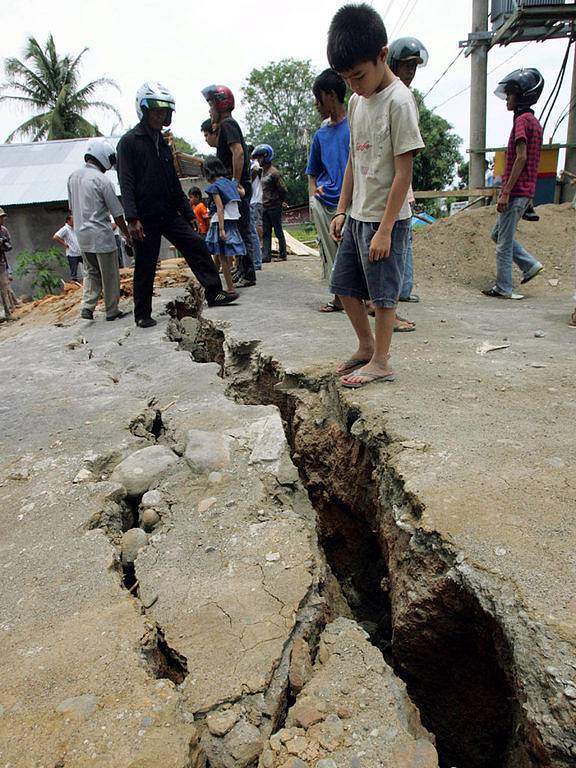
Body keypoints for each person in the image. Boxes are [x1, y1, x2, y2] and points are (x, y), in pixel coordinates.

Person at [326, 3, 424, 388]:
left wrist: (385, 229)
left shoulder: (399, 103)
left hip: (387, 220)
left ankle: (382, 361)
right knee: (343, 286)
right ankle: (365, 346)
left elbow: (404, 172)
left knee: (383, 296)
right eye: (347, 78)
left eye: (359, 75)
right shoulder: (355, 101)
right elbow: (353, 158)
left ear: (383, 56)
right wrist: (340, 209)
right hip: (357, 215)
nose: (354, 85)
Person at [117, 82, 237, 327]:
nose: (160, 116)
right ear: (144, 110)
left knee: (195, 244)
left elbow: (172, 181)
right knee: (146, 263)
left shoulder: (161, 142)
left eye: (164, 112)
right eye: (155, 111)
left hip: (168, 212)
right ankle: (142, 314)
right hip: (144, 216)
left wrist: (188, 212)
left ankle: (214, 291)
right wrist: (132, 218)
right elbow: (126, 182)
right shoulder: (129, 142)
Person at [482, 68, 545, 299]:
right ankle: (529, 265)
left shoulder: (521, 121)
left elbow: (521, 157)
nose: (507, 99)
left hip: (516, 191)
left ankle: (504, 287)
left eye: (510, 95)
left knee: (503, 244)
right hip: (526, 192)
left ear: (521, 96)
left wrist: (505, 191)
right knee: (498, 234)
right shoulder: (534, 122)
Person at [68, 139, 130, 322]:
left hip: (82, 235)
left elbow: (72, 207)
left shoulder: (73, 177)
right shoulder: (101, 180)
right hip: (101, 234)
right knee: (109, 274)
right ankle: (112, 310)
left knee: (91, 273)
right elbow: (117, 212)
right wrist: (127, 234)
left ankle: (87, 306)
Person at [201, 85, 256, 287]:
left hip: (236, 186)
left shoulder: (228, 125)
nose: (209, 111)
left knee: (240, 229)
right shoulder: (226, 125)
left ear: (219, 105)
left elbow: (238, 153)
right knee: (238, 228)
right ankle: (242, 269)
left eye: (210, 106)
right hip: (235, 186)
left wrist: (235, 182)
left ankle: (248, 273)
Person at [388, 36, 429, 305]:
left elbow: (408, 153)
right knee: (398, 240)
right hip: (390, 183)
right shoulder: (395, 97)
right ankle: (400, 289)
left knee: (401, 240)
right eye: (407, 66)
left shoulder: (404, 99)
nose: (410, 72)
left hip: (399, 183)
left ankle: (402, 289)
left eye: (414, 66)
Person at [306, 68, 350, 313]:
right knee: (330, 253)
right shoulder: (321, 134)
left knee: (350, 251)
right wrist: (314, 194)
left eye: (318, 98)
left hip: (351, 201)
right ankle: (339, 298)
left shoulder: (354, 126)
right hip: (325, 202)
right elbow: (312, 171)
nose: (316, 105)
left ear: (330, 95)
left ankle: (359, 299)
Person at [204, 157, 246, 294]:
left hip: (220, 222)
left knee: (222, 256)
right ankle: (212, 281)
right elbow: (242, 193)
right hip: (233, 221)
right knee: (220, 254)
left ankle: (230, 288)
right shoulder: (230, 184)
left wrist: (221, 228)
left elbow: (219, 207)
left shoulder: (214, 187)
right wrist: (237, 183)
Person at [252, 144, 288, 263]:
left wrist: (280, 201)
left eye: (260, 158)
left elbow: (283, 189)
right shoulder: (262, 172)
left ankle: (283, 254)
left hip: (274, 206)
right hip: (265, 206)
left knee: (278, 230)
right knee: (266, 232)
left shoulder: (274, 173)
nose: (258, 160)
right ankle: (266, 256)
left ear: (266, 156)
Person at [53, 212, 83, 283]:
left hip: (80, 252)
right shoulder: (65, 229)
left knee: (90, 266)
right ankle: (74, 285)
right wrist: (64, 244)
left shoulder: (75, 228)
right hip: (72, 253)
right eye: (72, 220)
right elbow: (55, 236)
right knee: (74, 272)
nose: (74, 222)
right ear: (68, 221)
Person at [0, 208, 14, 320]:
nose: (2, 219)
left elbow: (8, 246)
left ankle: (8, 313)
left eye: (2, 217)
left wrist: (3, 243)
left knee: (4, 288)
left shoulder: (3, 230)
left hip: (1, 264)